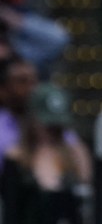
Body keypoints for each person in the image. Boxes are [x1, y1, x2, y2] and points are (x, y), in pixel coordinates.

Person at [0, 82, 93, 224]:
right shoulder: (16, 158)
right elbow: (11, 213)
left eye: (57, 126)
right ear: (32, 119)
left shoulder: (75, 154)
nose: (53, 131)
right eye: (48, 125)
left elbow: (85, 205)